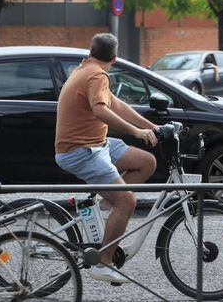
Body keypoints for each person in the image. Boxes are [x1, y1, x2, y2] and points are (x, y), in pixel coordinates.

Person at [55, 33, 158, 283]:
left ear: (91, 51)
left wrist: (151, 126)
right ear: (115, 58)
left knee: (146, 162)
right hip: (80, 152)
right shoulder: (96, 75)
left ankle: (106, 208)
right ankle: (103, 262)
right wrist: (135, 131)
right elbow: (100, 109)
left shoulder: (86, 68)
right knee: (127, 203)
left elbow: (115, 104)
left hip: (97, 144)